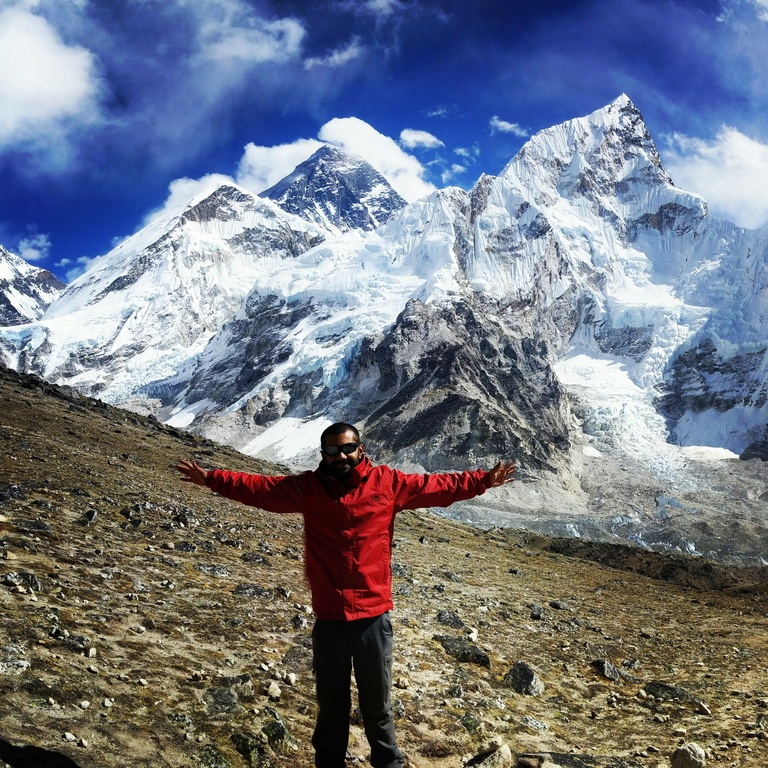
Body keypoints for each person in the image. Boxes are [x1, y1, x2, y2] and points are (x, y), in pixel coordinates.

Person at [176, 422, 516, 768]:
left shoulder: (388, 484)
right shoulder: (308, 488)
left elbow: (437, 487)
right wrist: (212, 479)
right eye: (332, 450)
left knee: (378, 709)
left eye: (347, 448)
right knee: (332, 711)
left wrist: (482, 481)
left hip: (372, 620)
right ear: (322, 454)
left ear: (360, 449)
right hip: (330, 621)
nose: (341, 455)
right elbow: (261, 489)